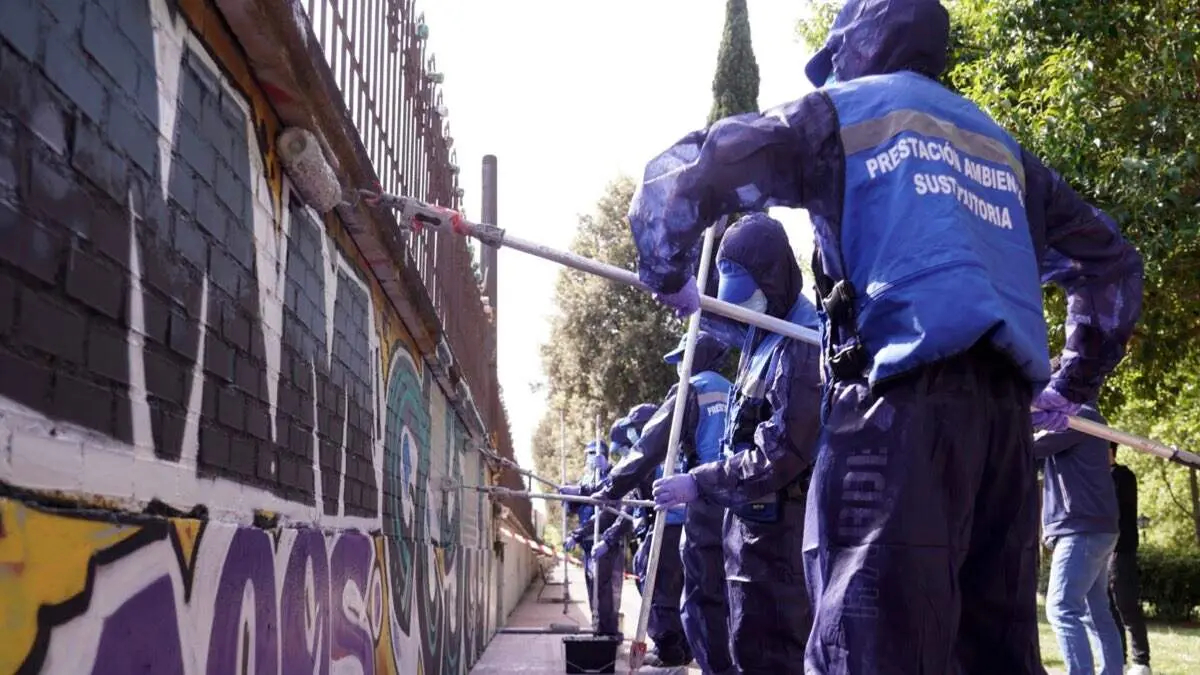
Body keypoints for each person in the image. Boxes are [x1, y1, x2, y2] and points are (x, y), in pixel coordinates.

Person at [624, 0, 1145, 670]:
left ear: (856, 44)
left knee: (868, 646)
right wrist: (1072, 384)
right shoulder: (1001, 149)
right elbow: (1111, 264)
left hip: (894, 417)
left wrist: (664, 265)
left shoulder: (844, 114)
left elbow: (708, 162)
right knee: (992, 649)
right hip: (1003, 439)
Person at [651, 214, 824, 674]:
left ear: (774, 278)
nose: (745, 310)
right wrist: (691, 297)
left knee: (776, 657)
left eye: (750, 299)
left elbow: (782, 453)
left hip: (784, 542)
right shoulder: (763, 331)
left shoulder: (802, 343)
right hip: (751, 535)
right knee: (747, 649)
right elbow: (729, 319)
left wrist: (700, 482)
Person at [594, 333, 735, 672]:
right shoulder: (733, 387)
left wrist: (612, 485)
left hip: (700, 499)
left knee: (700, 600)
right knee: (727, 595)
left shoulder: (692, 388)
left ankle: (698, 661)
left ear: (694, 357)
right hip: (736, 494)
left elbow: (651, 444)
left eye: (681, 361)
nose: (677, 371)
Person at [1035, 375, 1124, 675]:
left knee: (1061, 607)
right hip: (1097, 528)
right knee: (1095, 610)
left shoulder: (1078, 418)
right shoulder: (1089, 418)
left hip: (1082, 528)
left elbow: (1029, 446)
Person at [609, 403, 693, 667]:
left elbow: (634, 479)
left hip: (667, 526)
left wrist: (601, 487)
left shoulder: (654, 451)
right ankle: (682, 645)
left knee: (657, 584)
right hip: (685, 525)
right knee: (678, 588)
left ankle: (668, 648)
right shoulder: (674, 445)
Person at [562, 440, 628, 636]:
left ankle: (609, 635)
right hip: (588, 543)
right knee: (594, 591)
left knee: (606, 592)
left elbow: (611, 505)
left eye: (596, 453)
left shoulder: (612, 475)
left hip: (606, 542)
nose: (592, 457)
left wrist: (607, 468)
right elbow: (575, 506)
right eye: (589, 453)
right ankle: (599, 630)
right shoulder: (585, 479)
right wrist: (567, 498)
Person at [1108, 442, 1152, 674]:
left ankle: (1141, 661)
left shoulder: (1123, 476)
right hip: (1101, 550)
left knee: (1125, 604)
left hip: (1121, 549)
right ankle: (1119, 659)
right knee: (1107, 607)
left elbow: (1116, 508)